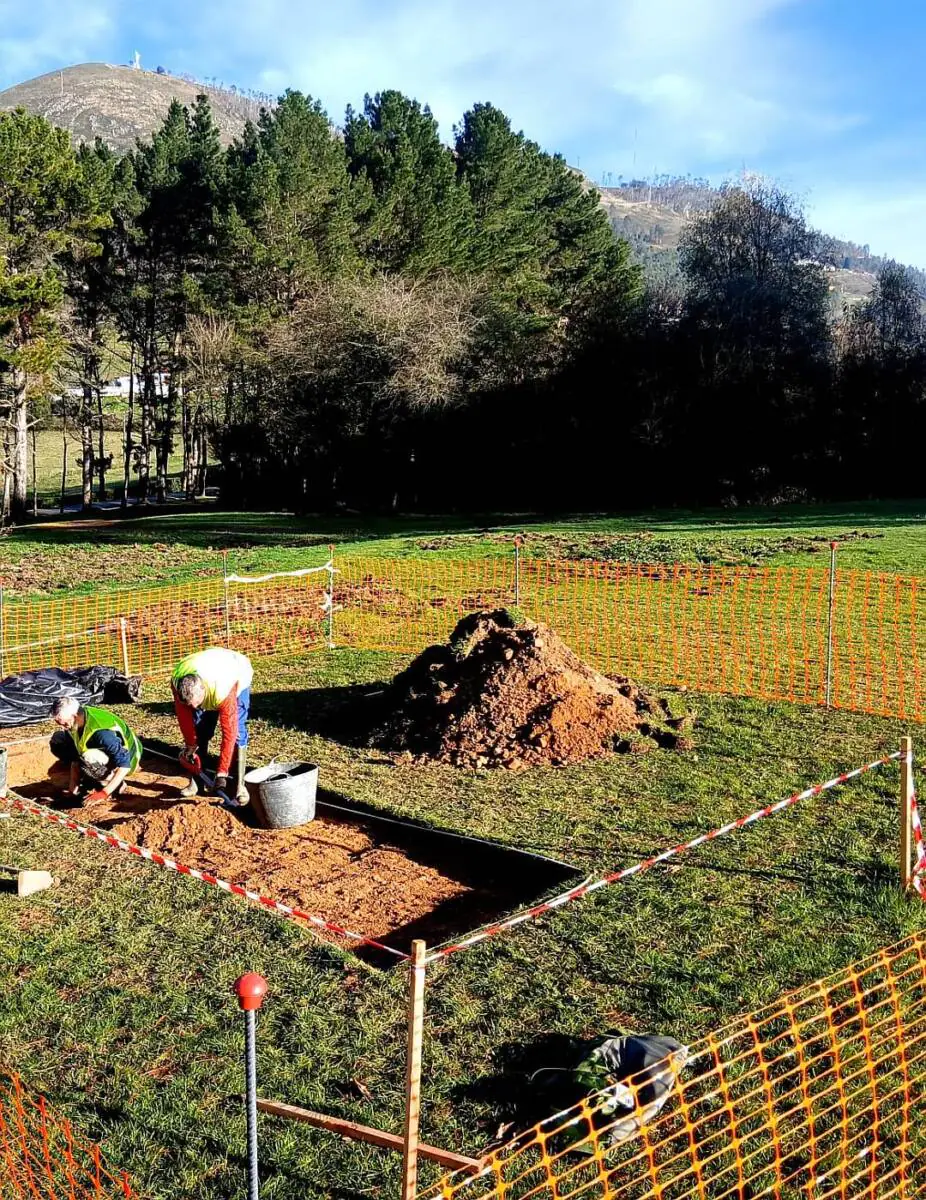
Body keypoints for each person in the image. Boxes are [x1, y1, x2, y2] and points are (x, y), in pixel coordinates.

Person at [171, 648, 253, 805]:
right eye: (190, 705)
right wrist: (190, 744)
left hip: (237, 672)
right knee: (200, 728)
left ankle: (239, 785)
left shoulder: (223, 690)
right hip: (206, 667)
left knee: (238, 733)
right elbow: (184, 717)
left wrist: (222, 772)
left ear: (203, 689)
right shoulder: (177, 683)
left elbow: (228, 733)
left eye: (198, 703)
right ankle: (197, 781)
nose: (195, 707)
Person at [50, 697, 143, 802]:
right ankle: (90, 776)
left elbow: (124, 765)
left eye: (65, 724)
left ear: (75, 716)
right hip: (105, 749)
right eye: (60, 724)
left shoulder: (102, 733)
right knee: (58, 740)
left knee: (88, 758)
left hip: (129, 757)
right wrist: (72, 791)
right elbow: (75, 759)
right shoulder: (77, 720)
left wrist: (104, 793)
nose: (63, 728)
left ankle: (116, 785)